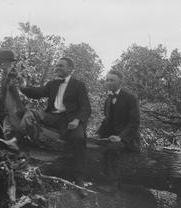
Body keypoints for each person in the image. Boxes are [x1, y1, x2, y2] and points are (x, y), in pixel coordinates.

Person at [19, 57, 92, 186]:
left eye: (61, 66)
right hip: (52, 118)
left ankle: (79, 176)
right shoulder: (52, 84)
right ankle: (19, 153)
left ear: (70, 69)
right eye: (57, 65)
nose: (57, 67)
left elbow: (86, 107)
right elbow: (37, 92)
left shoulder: (79, 85)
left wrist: (77, 120)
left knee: (79, 138)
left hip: (70, 120)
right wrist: (24, 88)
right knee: (25, 115)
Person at [96, 70, 140, 191]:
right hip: (113, 136)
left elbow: (134, 123)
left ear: (120, 81)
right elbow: (107, 120)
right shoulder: (109, 98)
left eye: (112, 80)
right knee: (96, 146)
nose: (109, 82)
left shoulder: (131, 97)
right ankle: (99, 179)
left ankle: (112, 184)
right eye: (107, 80)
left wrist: (120, 137)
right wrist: (99, 134)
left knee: (112, 149)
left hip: (129, 138)